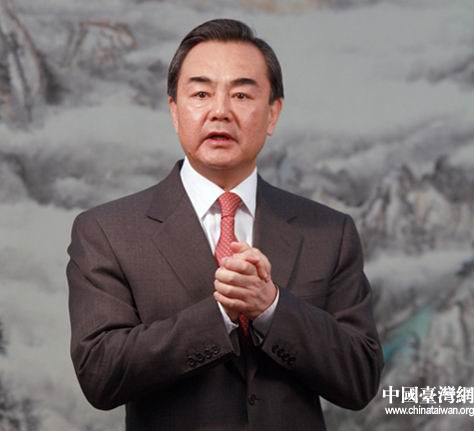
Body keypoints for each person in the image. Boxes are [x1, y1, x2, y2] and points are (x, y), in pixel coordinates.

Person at [67, 18, 384, 431]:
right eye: (201, 93)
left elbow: (360, 377)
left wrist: (272, 307)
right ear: (174, 111)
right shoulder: (107, 231)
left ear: (272, 114)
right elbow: (101, 374)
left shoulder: (328, 231)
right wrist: (220, 315)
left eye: (241, 94)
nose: (220, 111)